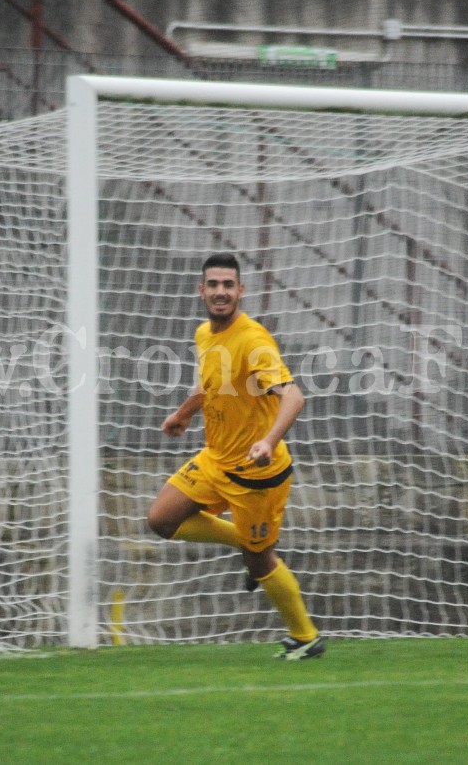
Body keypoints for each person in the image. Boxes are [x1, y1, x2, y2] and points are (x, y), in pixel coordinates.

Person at [146, 252, 324, 660]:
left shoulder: (254, 340)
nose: (221, 292)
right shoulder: (204, 334)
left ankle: (305, 637)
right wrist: (182, 414)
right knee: (161, 519)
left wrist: (269, 441)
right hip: (215, 459)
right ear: (202, 290)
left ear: (241, 290)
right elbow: (212, 384)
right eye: (214, 284)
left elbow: (294, 397)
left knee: (261, 561)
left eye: (229, 285)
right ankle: (246, 542)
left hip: (256, 474)